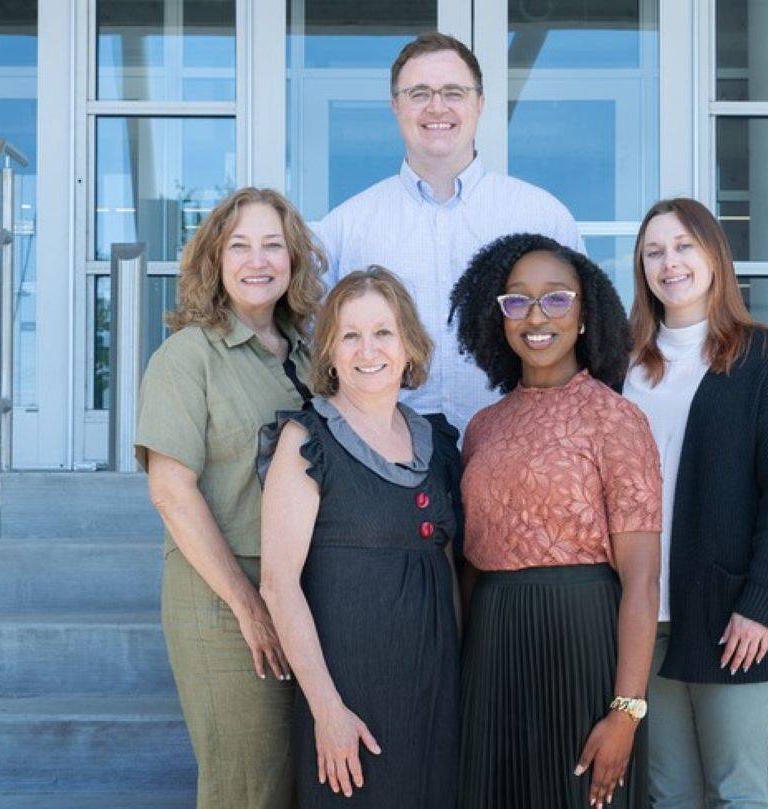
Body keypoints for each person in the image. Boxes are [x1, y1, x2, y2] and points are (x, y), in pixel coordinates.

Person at [449, 233, 662, 809]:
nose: (535, 316)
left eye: (556, 299)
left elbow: (642, 581)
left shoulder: (617, 420)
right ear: (499, 318)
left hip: (582, 646)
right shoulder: (483, 427)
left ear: (586, 314)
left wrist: (626, 711)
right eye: (516, 301)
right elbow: (469, 565)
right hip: (492, 651)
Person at [622, 198, 768, 808]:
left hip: (735, 619)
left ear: (714, 255)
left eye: (683, 246)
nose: (669, 262)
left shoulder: (763, 357)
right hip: (645, 620)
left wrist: (762, 605)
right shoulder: (622, 366)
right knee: (669, 795)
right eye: (654, 251)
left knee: (736, 792)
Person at [134, 187, 324, 809]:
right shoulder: (188, 357)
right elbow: (170, 491)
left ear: (294, 259)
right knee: (250, 787)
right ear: (214, 259)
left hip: (294, 589)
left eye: (273, 244)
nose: (257, 259)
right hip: (225, 597)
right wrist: (247, 605)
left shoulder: (306, 355)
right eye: (239, 245)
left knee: (298, 781)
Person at [257, 266, 462, 808]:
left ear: (409, 346)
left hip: (434, 691)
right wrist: (327, 710)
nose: (367, 350)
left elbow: (446, 563)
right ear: (328, 352)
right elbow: (278, 585)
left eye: (383, 333)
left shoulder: (437, 443)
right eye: (350, 335)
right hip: (350, 695)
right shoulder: (307, 440)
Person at [315, 32, 583, 432]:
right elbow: (318, 353)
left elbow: (583, 338)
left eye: (453, 92)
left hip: (517, 451)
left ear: (480, 103)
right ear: (395, 105)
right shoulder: (345, 228)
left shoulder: (543, 217)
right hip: (388, 463)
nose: (437, 107)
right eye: (419, 93)